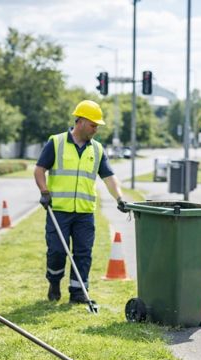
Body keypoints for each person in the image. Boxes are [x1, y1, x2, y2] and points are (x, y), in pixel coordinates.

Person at [34, 100, 127, 303]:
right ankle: (54, 282)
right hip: (58, 210)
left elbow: (109, 177)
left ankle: (78, 293)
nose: (95, 129)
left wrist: (119, 198)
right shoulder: (56, 143)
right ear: (82, 121)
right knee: (57, 251)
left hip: (85, 213)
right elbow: (39, 169)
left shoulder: (97, 150)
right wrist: (44, 191)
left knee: (83, 253)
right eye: (93, 125)